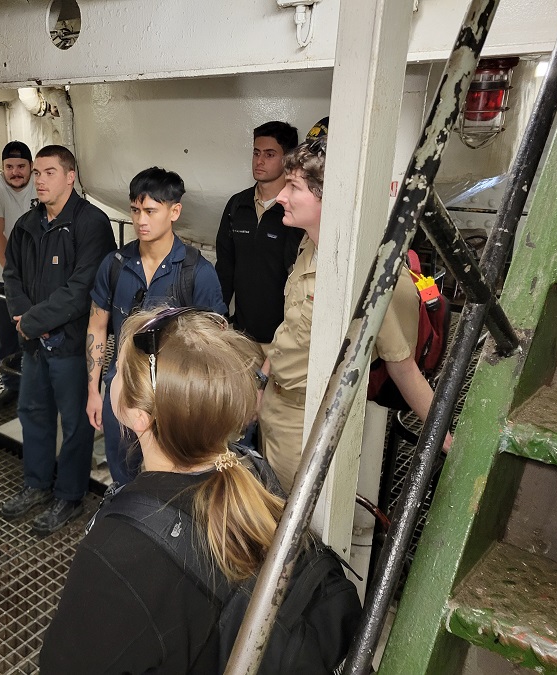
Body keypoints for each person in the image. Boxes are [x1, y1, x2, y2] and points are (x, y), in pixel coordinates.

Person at [40, 308, 290, 672]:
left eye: (119, 371)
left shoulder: (116, 555)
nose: (112, 378)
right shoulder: (257, 477)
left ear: (139, 415)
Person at [258, 138, 451, 491]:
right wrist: (261, 383)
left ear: (329, 196)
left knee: (293, 525)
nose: (280, 196)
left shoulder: (372, 273)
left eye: (293, 187)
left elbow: (402, 366)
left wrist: (447, 440)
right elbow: (290, 328)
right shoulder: (308, 246)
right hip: (275, 405)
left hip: (311, 420)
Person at [1, 145, 116, 535]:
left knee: (76, 422)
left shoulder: (91, 224)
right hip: (34, 344)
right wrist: (25, 318)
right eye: (37, 173)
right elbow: (11, 273)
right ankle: (36, 484)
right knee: (33, 413)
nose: (39, 180)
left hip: (70, 346)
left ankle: (70, 494)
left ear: (70, 176)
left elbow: (83, 289)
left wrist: (32, 320)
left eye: (48, 172)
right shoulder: (27, 223)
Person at [86, 167, 226, 484]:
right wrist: (94, 390)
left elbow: (215, 345)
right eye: (135, 210)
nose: (140, 220)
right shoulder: (115, 265)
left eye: (150, 211)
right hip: (121, 394)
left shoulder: (197, 272)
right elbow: (97, 327)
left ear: (175, 211)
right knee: (123, 478)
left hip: (173, 402)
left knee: (169, 482)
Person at [215, 121, 303, 345]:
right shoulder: (237, 205)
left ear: (287, 159)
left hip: (284, 340)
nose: (259, 161)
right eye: (256, 153)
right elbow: (225, 269)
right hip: (241, 335)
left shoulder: (296, 210)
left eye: (270, 154)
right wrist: (218, 320)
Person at [0, 141, 37, 411]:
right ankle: (13, 385)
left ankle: (39, 383)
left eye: (21, 166)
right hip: (0, 274)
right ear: (1, 168)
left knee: (38, 329)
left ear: (31, 166)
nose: (15, 172)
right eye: (9, 167)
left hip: (38, 273)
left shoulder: (41, 183)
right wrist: (14, 278)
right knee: (8, 333)